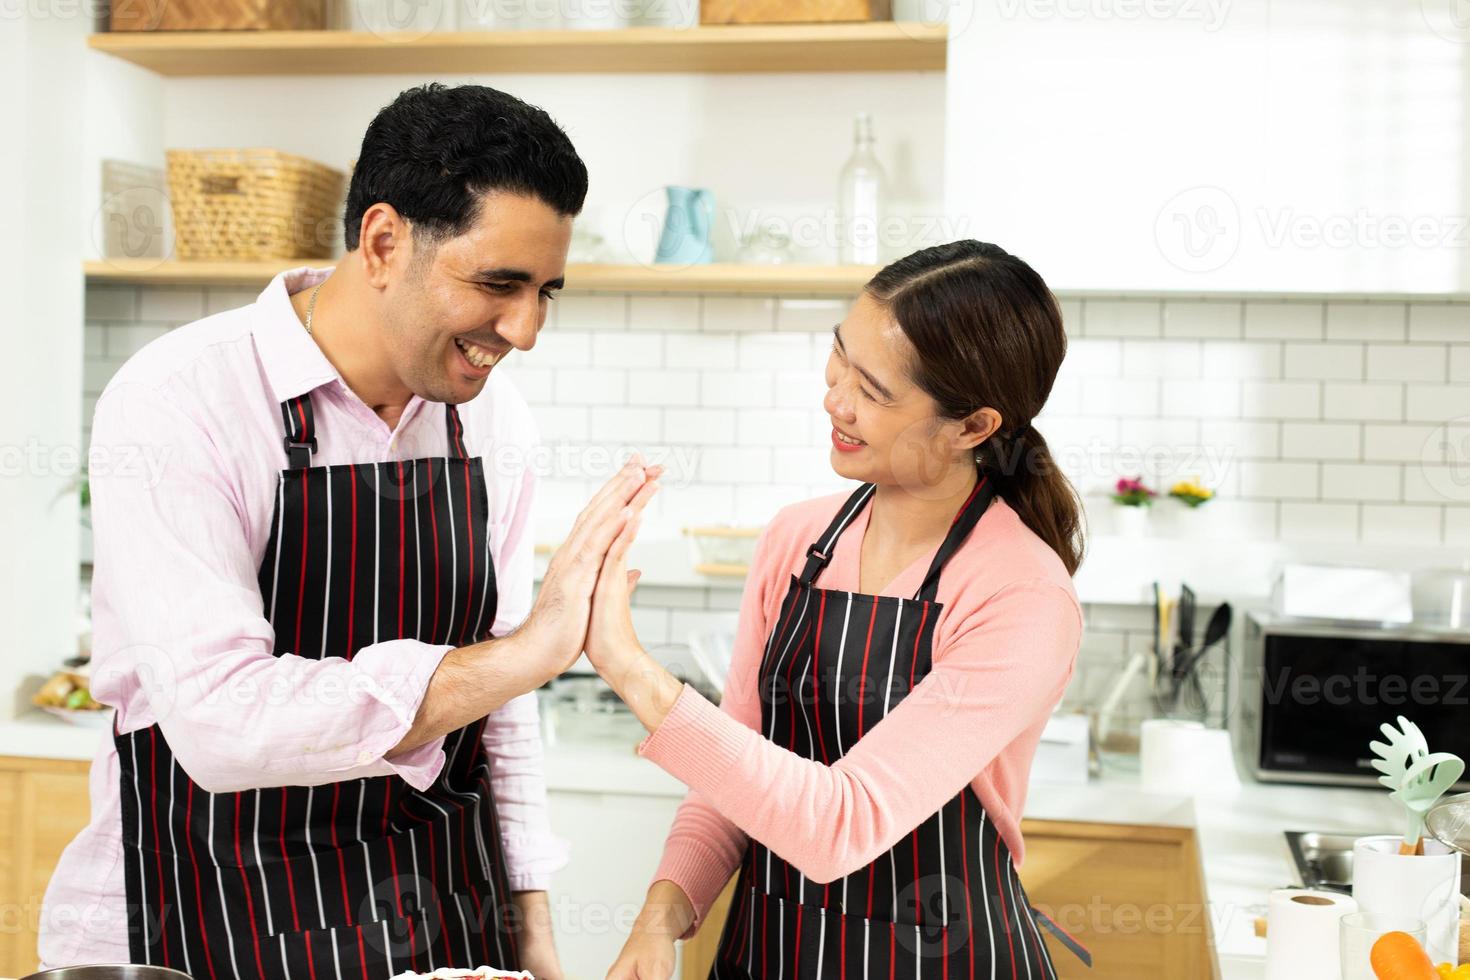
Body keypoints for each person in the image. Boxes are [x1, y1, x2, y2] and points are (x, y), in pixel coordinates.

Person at [40, 82, 660, 980]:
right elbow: (220, 722)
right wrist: (523, 655)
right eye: (498, 284)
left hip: (441, 924)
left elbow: (500, 715)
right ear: (382, 242)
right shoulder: (183, 399)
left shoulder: (489, 420)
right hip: (213, 917)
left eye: (545, 292)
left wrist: (534, 930)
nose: (524, 329)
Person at [587, 241, 1088, 979]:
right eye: (839, 358)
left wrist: (629, 669)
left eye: (875, 391)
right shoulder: (798, 540)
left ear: (973, 427)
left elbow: (839, 822)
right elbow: (736, 766)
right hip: (770, 956)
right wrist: (662, 916)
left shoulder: (1021, 594)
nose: (836, 400)